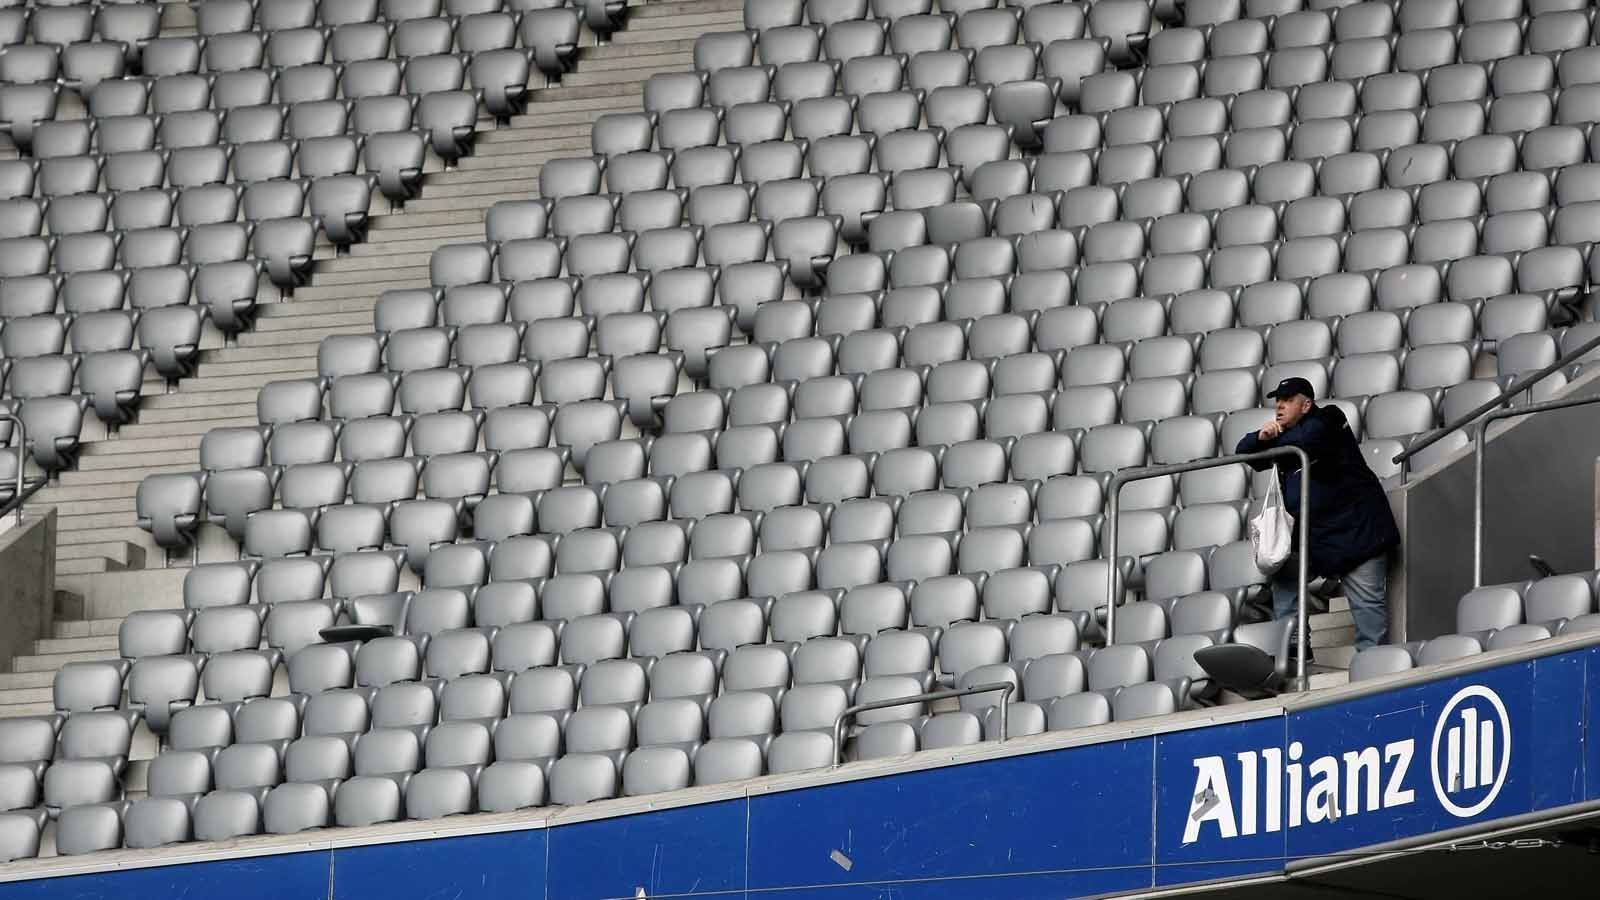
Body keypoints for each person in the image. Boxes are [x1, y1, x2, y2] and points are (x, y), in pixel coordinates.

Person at [1235, 377, 1400, 650]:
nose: (1280, 407)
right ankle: (1295, 649)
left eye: (1288, 400)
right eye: (1278, 401)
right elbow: (1244, 452)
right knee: (1284, 574)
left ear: (1306, 405)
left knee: (1368, 608)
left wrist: (1273, 439)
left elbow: (1308, 439)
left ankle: (1372, 668)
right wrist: (1260, 437)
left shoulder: (1329, 419)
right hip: (1316, 538)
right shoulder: (1286, 438)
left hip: (1357, 533)